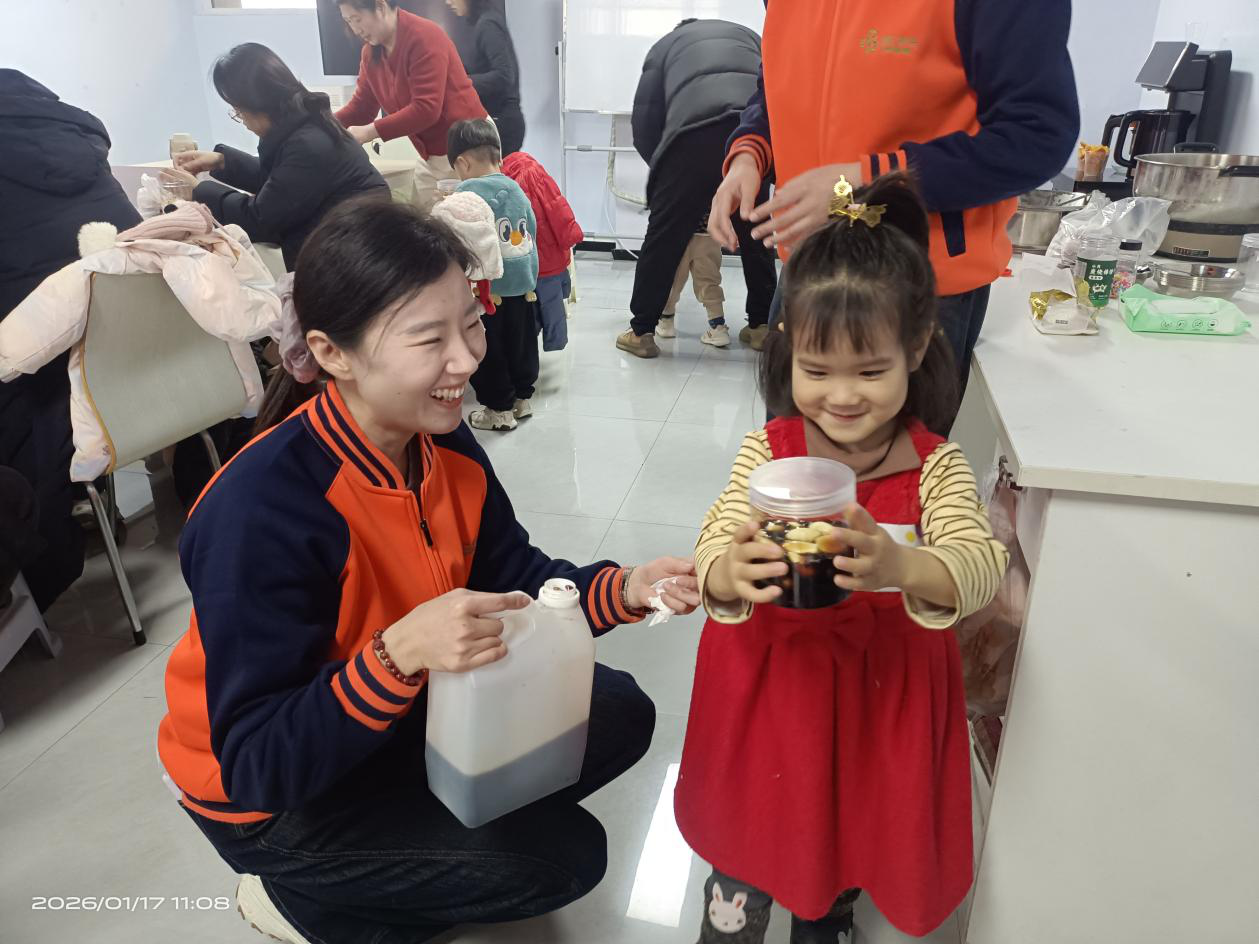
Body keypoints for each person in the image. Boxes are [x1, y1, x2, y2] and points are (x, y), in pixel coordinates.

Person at [156, 199, 700, 944]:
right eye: (428, 338)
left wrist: (625, 588)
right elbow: (257, 763)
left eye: (470, 323)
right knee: (560, 859)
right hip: (271, 799)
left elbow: (513, 574)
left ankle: (420, 840)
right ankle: (304, 900)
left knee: (617, 712)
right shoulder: (261, 511)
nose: (467, 359)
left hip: (387, 716)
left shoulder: (437, 442)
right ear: (333, 353)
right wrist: (397, 654)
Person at [676, 175, 1009, 943]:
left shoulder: (935, 465)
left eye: (870, 371)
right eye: (817, 371)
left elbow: (977, 562)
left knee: (843, 836)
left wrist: (901, 567)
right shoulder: (768, 450)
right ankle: (733, 919)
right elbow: (714, 540)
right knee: (750, 841)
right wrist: (729, 570)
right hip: (771, 694)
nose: (842, 397)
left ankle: (827, 918)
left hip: (876, 701)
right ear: (789, 348)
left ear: (915, 350)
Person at [708, 0, 1079, 402]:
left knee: (896, 444)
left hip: (917, 282)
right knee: (788, 438)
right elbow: (778, 83)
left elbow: (1036, 135)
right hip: (808, 266)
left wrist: (864, 180)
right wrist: (750, 153)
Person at [0, 69, 140, 611]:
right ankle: (88, 503)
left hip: (52, 384)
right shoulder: (86, 150)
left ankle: (43, 547)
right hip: (143, 373)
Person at [616, 18, 778, 359]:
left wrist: (665, 174)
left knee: (664, 237)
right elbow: (774, 90)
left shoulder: (665, 46)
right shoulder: (748, 36)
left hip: (691, 137)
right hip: (751, 137)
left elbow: (645, 122)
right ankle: (762, 326)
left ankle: (642, 332)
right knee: (755, 230)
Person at [169, 43, 388, 271]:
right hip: (349, 252)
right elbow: (280, 183)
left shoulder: (308, 144)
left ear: (258, 102)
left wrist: (199, 189)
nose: (241, 120)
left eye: (239, 111)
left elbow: (260, 219)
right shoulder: (304, 125)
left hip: (353, 263)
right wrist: (222, 161)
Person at [336, 0, 488, 210]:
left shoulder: (424, 36)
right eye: (348, 21)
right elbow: (361, 108)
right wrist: (322, 123)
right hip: (432, 155)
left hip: (469, 147)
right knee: (423, 219)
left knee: (469, 221)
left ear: (380, 6)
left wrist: (368, 132)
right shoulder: (371, 54)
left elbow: (426, 108)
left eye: (357, 19)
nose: (355, 29)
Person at [450, 119, 539, 432]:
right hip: (523, 286)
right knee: (521, 343)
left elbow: (458, 241)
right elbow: (532, 229)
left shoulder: (466, 193)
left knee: (489, 349)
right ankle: (522, 399)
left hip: (487, 291)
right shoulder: (516, 188)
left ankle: (499, 410)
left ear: (463, 163)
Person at [502, 149, 583, 353]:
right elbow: (557, 208)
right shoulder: (534, 173)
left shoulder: (501, 182)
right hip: (550, 261)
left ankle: (528, 344)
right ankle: (555, 341)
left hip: (521, 262)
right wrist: (571, 235)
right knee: (553, 306)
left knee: (528, 308)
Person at [446, 0, 525, 157]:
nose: (448, 2)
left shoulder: (488, 24)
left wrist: (462, 83)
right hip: (491, 121)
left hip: (501, 122)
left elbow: (504, 75)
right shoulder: (474, 25)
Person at [658, 219, 725, 342]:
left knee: (673, 281)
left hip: (678, 231)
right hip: (709, 234)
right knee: (709, 282)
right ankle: (718, 327)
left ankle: (666, 321)